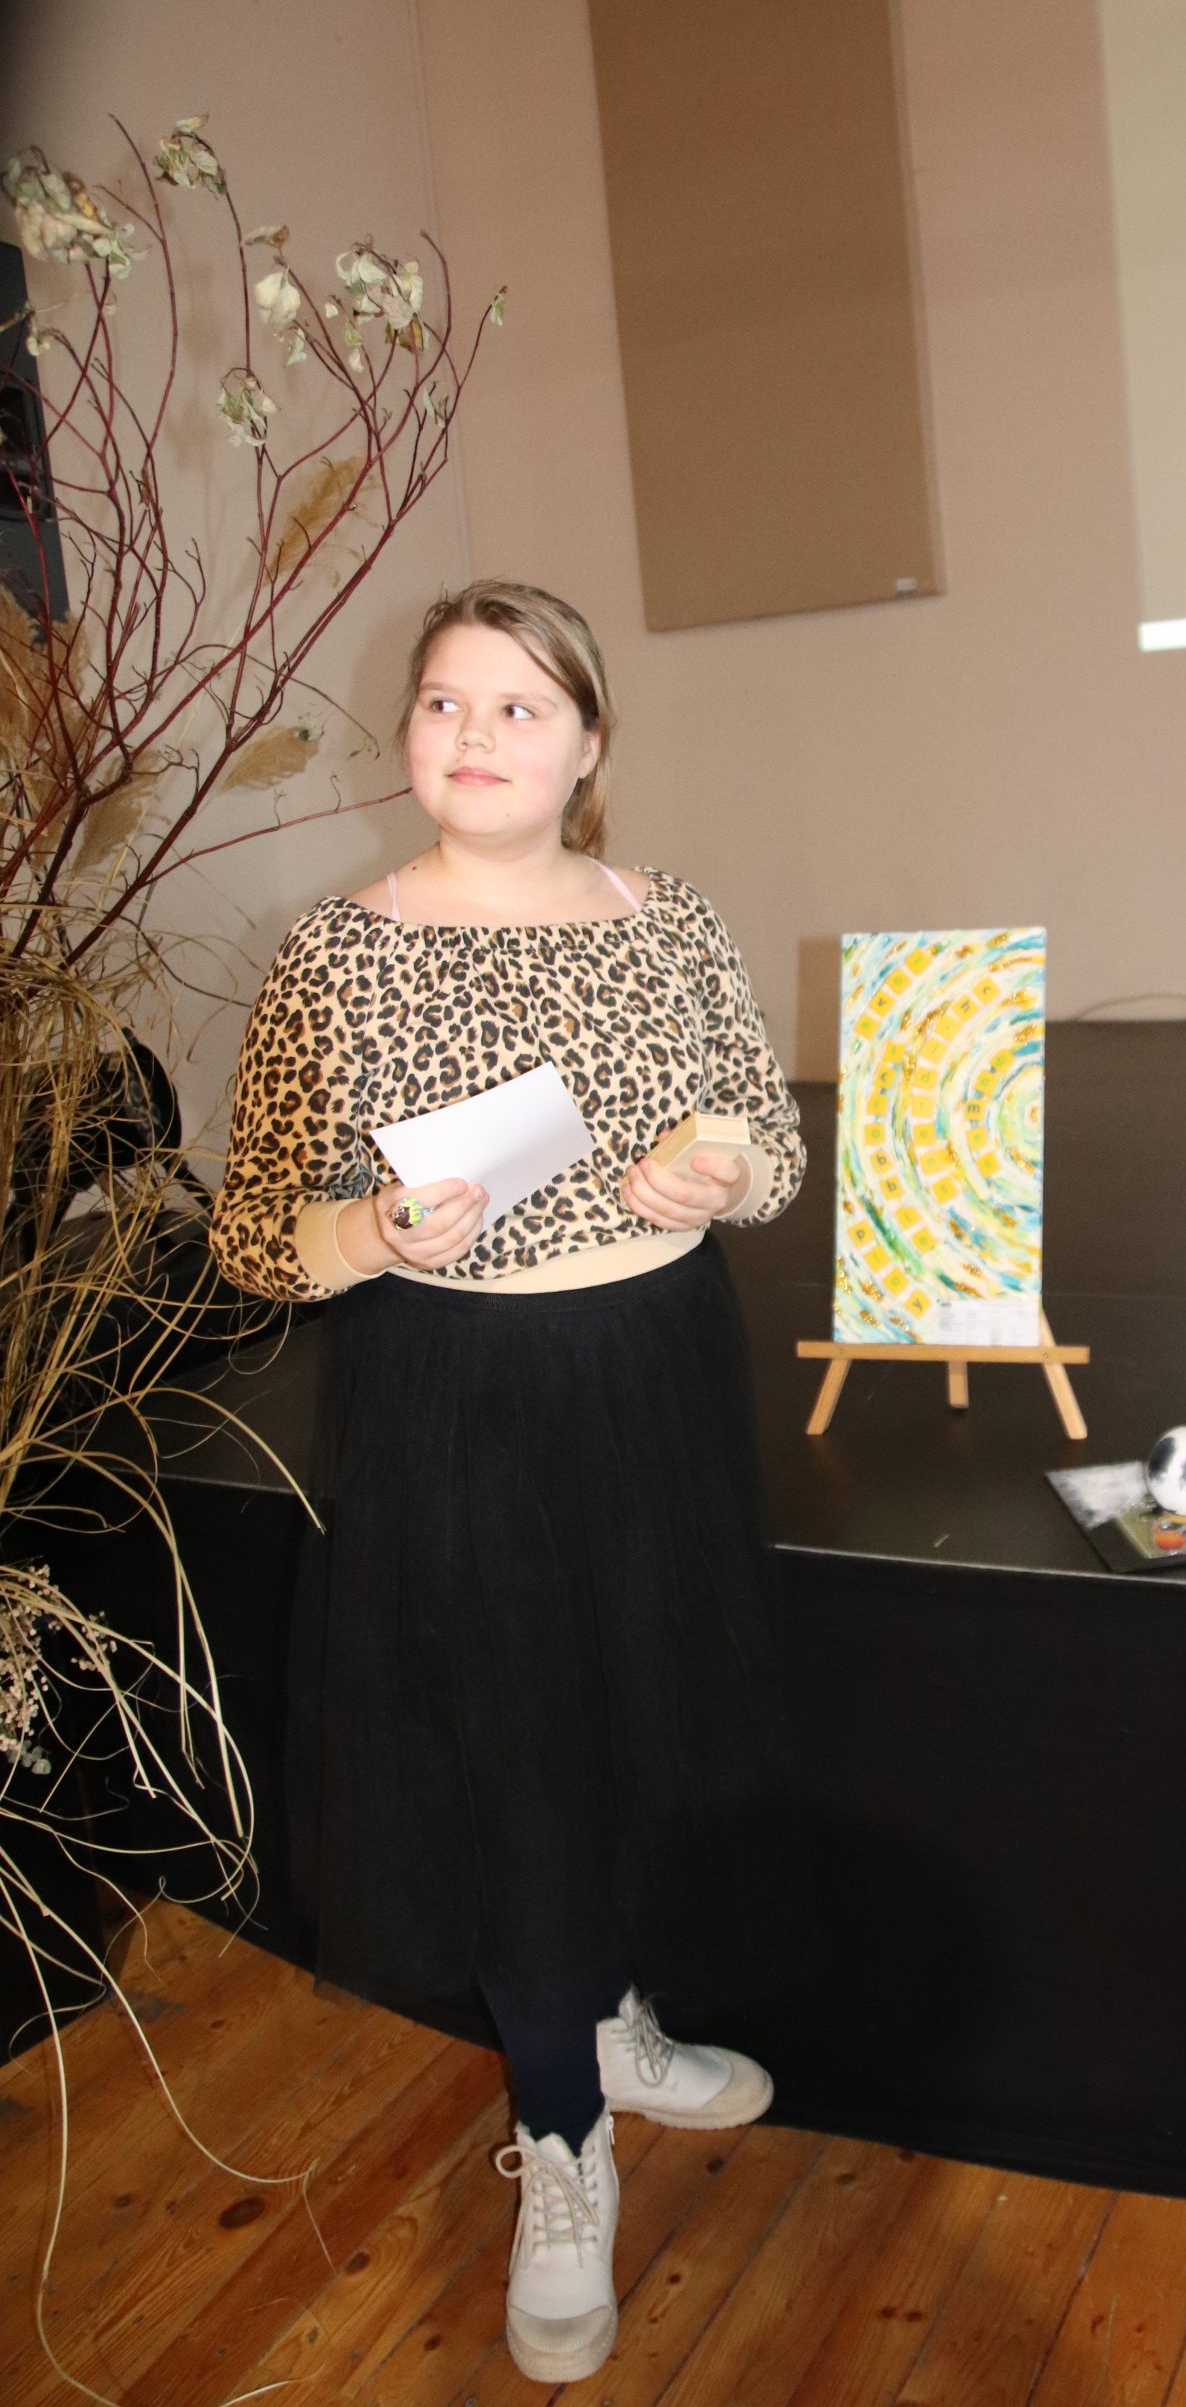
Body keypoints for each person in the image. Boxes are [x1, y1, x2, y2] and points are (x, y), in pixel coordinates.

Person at [209, 579, 815, 2387]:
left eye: (520, 707)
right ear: (410, 733)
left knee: (635, 1716)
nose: (474, 736)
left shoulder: (669, 917)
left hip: (655, 1375)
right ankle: (562, 2134)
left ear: (589, 743)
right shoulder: (339, 951)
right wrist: (372, 1232)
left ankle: (608, 2018)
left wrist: (724, 1174)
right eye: (445, 703)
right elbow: (253, 1233)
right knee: (513, 1749)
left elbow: (773, 1139)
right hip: (458, 1393)